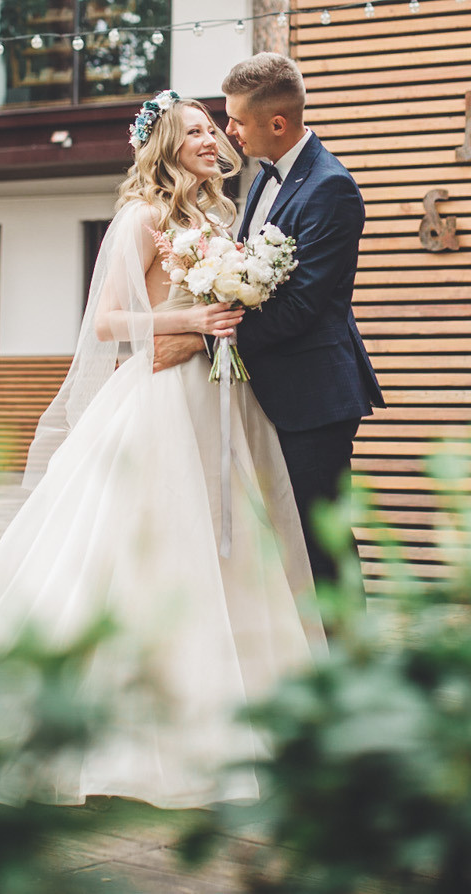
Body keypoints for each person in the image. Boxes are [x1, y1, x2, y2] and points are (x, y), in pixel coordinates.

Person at [0, 92, 322, 810]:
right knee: (149, 543)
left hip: (223, 393)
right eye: (192, 130)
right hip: (159, 396)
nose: (209, 139)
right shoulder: (143, 216)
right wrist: (193, 313)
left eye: (212, 129)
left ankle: (242, 706)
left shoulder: (225, 216)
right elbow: (106, 325)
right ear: (163, 144)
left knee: (234, 546)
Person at [157, 53, 383, 583]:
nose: (227, 130)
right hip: (263, 388)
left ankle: (345, 658)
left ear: (276, 123)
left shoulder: (332, 188)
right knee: (278, 538)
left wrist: (198, 342)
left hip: (312, 397)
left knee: (318, 541)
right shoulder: (262, 178)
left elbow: (301, 308)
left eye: (234, 119)